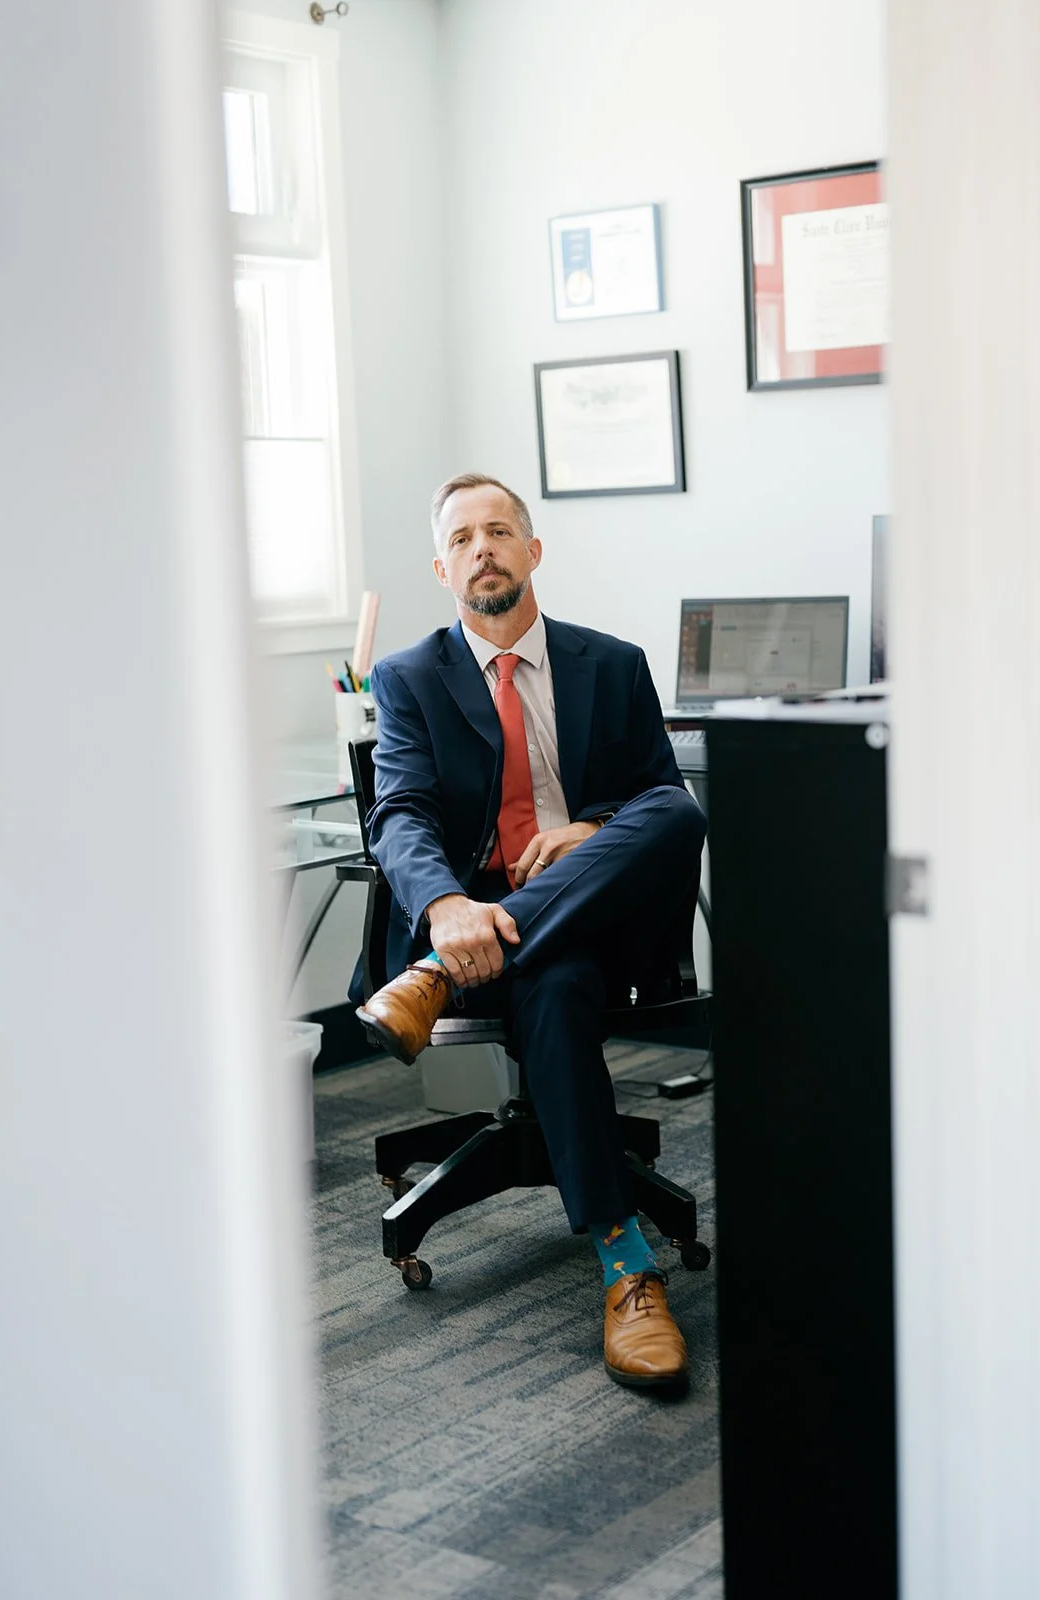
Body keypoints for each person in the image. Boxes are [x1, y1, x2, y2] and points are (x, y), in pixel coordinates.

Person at [356, 473, 707, 1389]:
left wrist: (591, 830)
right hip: (472, 923)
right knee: (554, 990)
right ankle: (627, 1265)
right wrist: (447, 908)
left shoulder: (612, 663)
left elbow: (658, 799)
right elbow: (400, 815)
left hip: (587, 912)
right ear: (442, 569)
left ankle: (436, 974)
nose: (482, 547)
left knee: (676, 811)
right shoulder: (408, 677)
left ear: (532, 550)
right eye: (461, 538)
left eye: (499, 530)